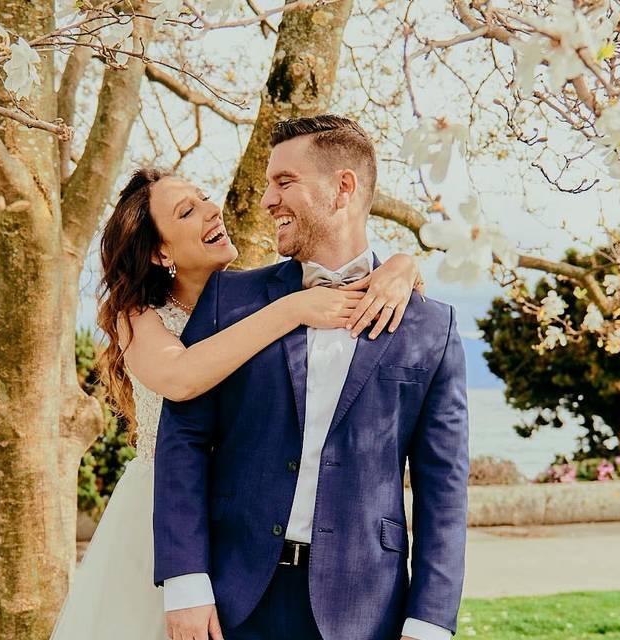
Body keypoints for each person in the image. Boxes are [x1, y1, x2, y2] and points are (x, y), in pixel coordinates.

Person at [48, 165, 427, 637]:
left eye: (204, 196)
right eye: (187, 212)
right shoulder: (140, 318)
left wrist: (401, 265)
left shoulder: (254, 299)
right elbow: (181, 377)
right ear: (160, 250)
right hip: (165, 516)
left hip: (244, 518)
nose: (210, 210)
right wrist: (292, 310)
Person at [153, 114, 469, 640]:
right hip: (233, 600)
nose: (266, 200)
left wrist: (430, 622)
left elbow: (444, 488)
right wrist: (185, 581)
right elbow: (183, 439)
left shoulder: (431, 328)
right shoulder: (229, 300)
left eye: (285, 182)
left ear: (342, 187)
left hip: (365, 608)